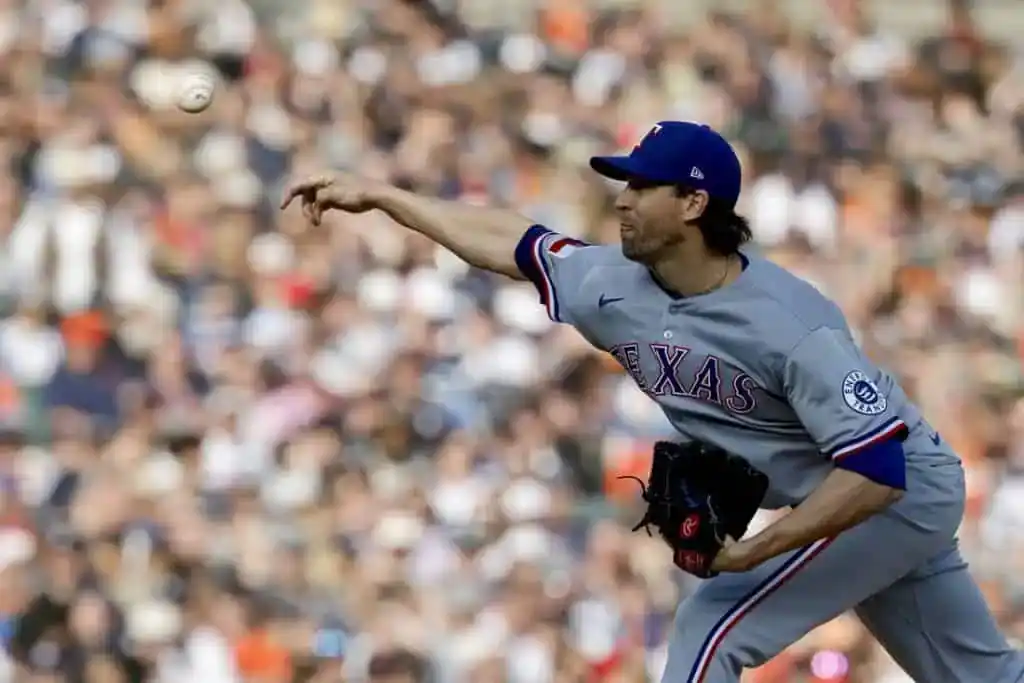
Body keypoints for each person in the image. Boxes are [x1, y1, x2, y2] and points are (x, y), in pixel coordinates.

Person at [281, 121, 1024, 683]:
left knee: (712, 623)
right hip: (863, 496)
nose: (624, 200)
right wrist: (386, 199)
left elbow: (876, 467)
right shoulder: (613, 285)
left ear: (695, 201)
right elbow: (513, 244)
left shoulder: (792, 323)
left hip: (894, 494)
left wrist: (756, 550)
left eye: (642, 187)